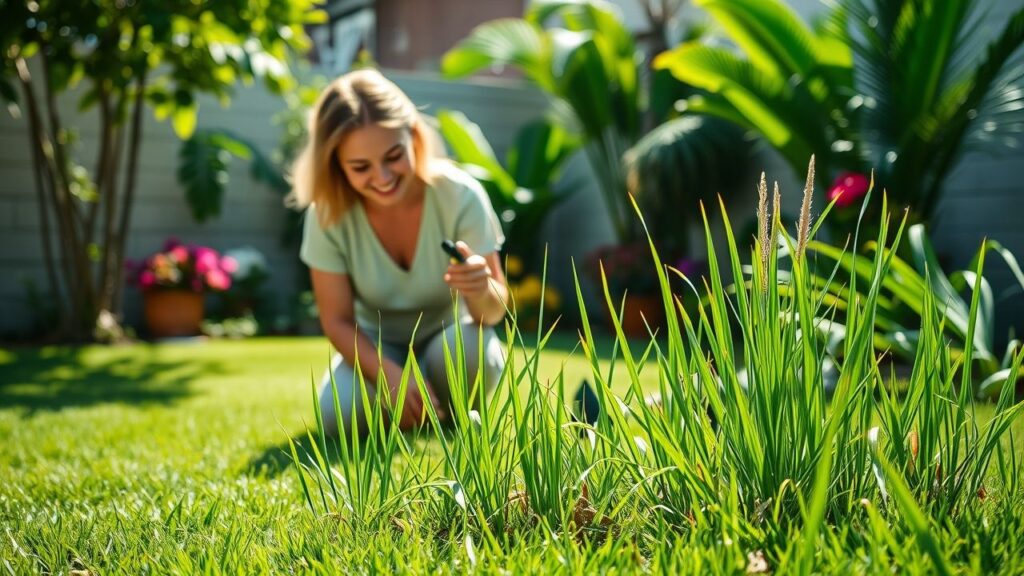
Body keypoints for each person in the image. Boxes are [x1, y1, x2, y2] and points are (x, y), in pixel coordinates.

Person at [288, 69, 508, 436]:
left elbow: (494, 312)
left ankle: (431, 409)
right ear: (336, 167)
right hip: (376, 350)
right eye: (361, 167)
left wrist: (481, 289)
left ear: (414, 138)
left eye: (394, 156)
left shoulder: (460, 195)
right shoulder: (326, 215)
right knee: (337, 413)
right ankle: (422, 408)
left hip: (449, 344)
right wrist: (389, 375)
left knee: (474, 346)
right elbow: (337, 320)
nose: (384, 177)